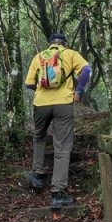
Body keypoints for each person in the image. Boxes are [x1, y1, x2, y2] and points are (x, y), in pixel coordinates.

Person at [25, 32, 91, 208]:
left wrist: (41, 89)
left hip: (40, 104)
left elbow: (29, 83)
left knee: (39, 136)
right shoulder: (70, 54)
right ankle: (58, 192)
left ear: (50, 44)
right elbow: (86, 70)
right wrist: (78, 92)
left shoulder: (39, 57)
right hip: (63, 103)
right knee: (62, 146)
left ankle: (38, 175)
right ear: (64, 43)